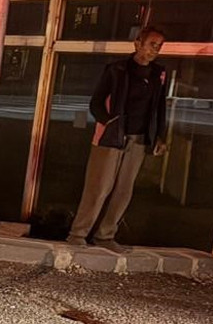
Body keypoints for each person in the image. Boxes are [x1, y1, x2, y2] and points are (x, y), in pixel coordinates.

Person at [68, 26, 170, 252]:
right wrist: (109, 123)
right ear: (138, 43)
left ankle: (105, 235)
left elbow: (159, 108)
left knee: (124, 189)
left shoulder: (158, 75)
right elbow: (95, 102)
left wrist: (160, 136)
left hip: (139, 138)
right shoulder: (117, 69)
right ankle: (78, 234)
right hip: (111, 137)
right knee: (98, 186)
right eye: (152, 44)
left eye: (159, 46)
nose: (156, 49)